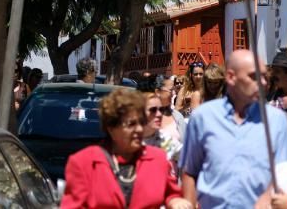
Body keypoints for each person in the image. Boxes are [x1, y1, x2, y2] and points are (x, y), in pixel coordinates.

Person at [179, 49, 287, 208]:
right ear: (231, 77)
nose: (262, 82)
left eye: (264, 76)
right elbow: (190, 171)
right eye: (254, 76)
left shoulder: (277, 121)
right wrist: (189, 203)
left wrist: (266, 198)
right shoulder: (203, 118)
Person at [61, 89, 191, 209]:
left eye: (141, 122)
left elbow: (171, 193)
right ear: (111, 128)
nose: (139, 129)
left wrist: (175, 201)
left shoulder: (158, 159)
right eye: (131, 124)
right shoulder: (83, 163)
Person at [155, 76, 186, 144]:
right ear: (158, 92)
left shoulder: (177, 116)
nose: (173, 94)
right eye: (170, 90)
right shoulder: (148, 116)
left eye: (173, 90)